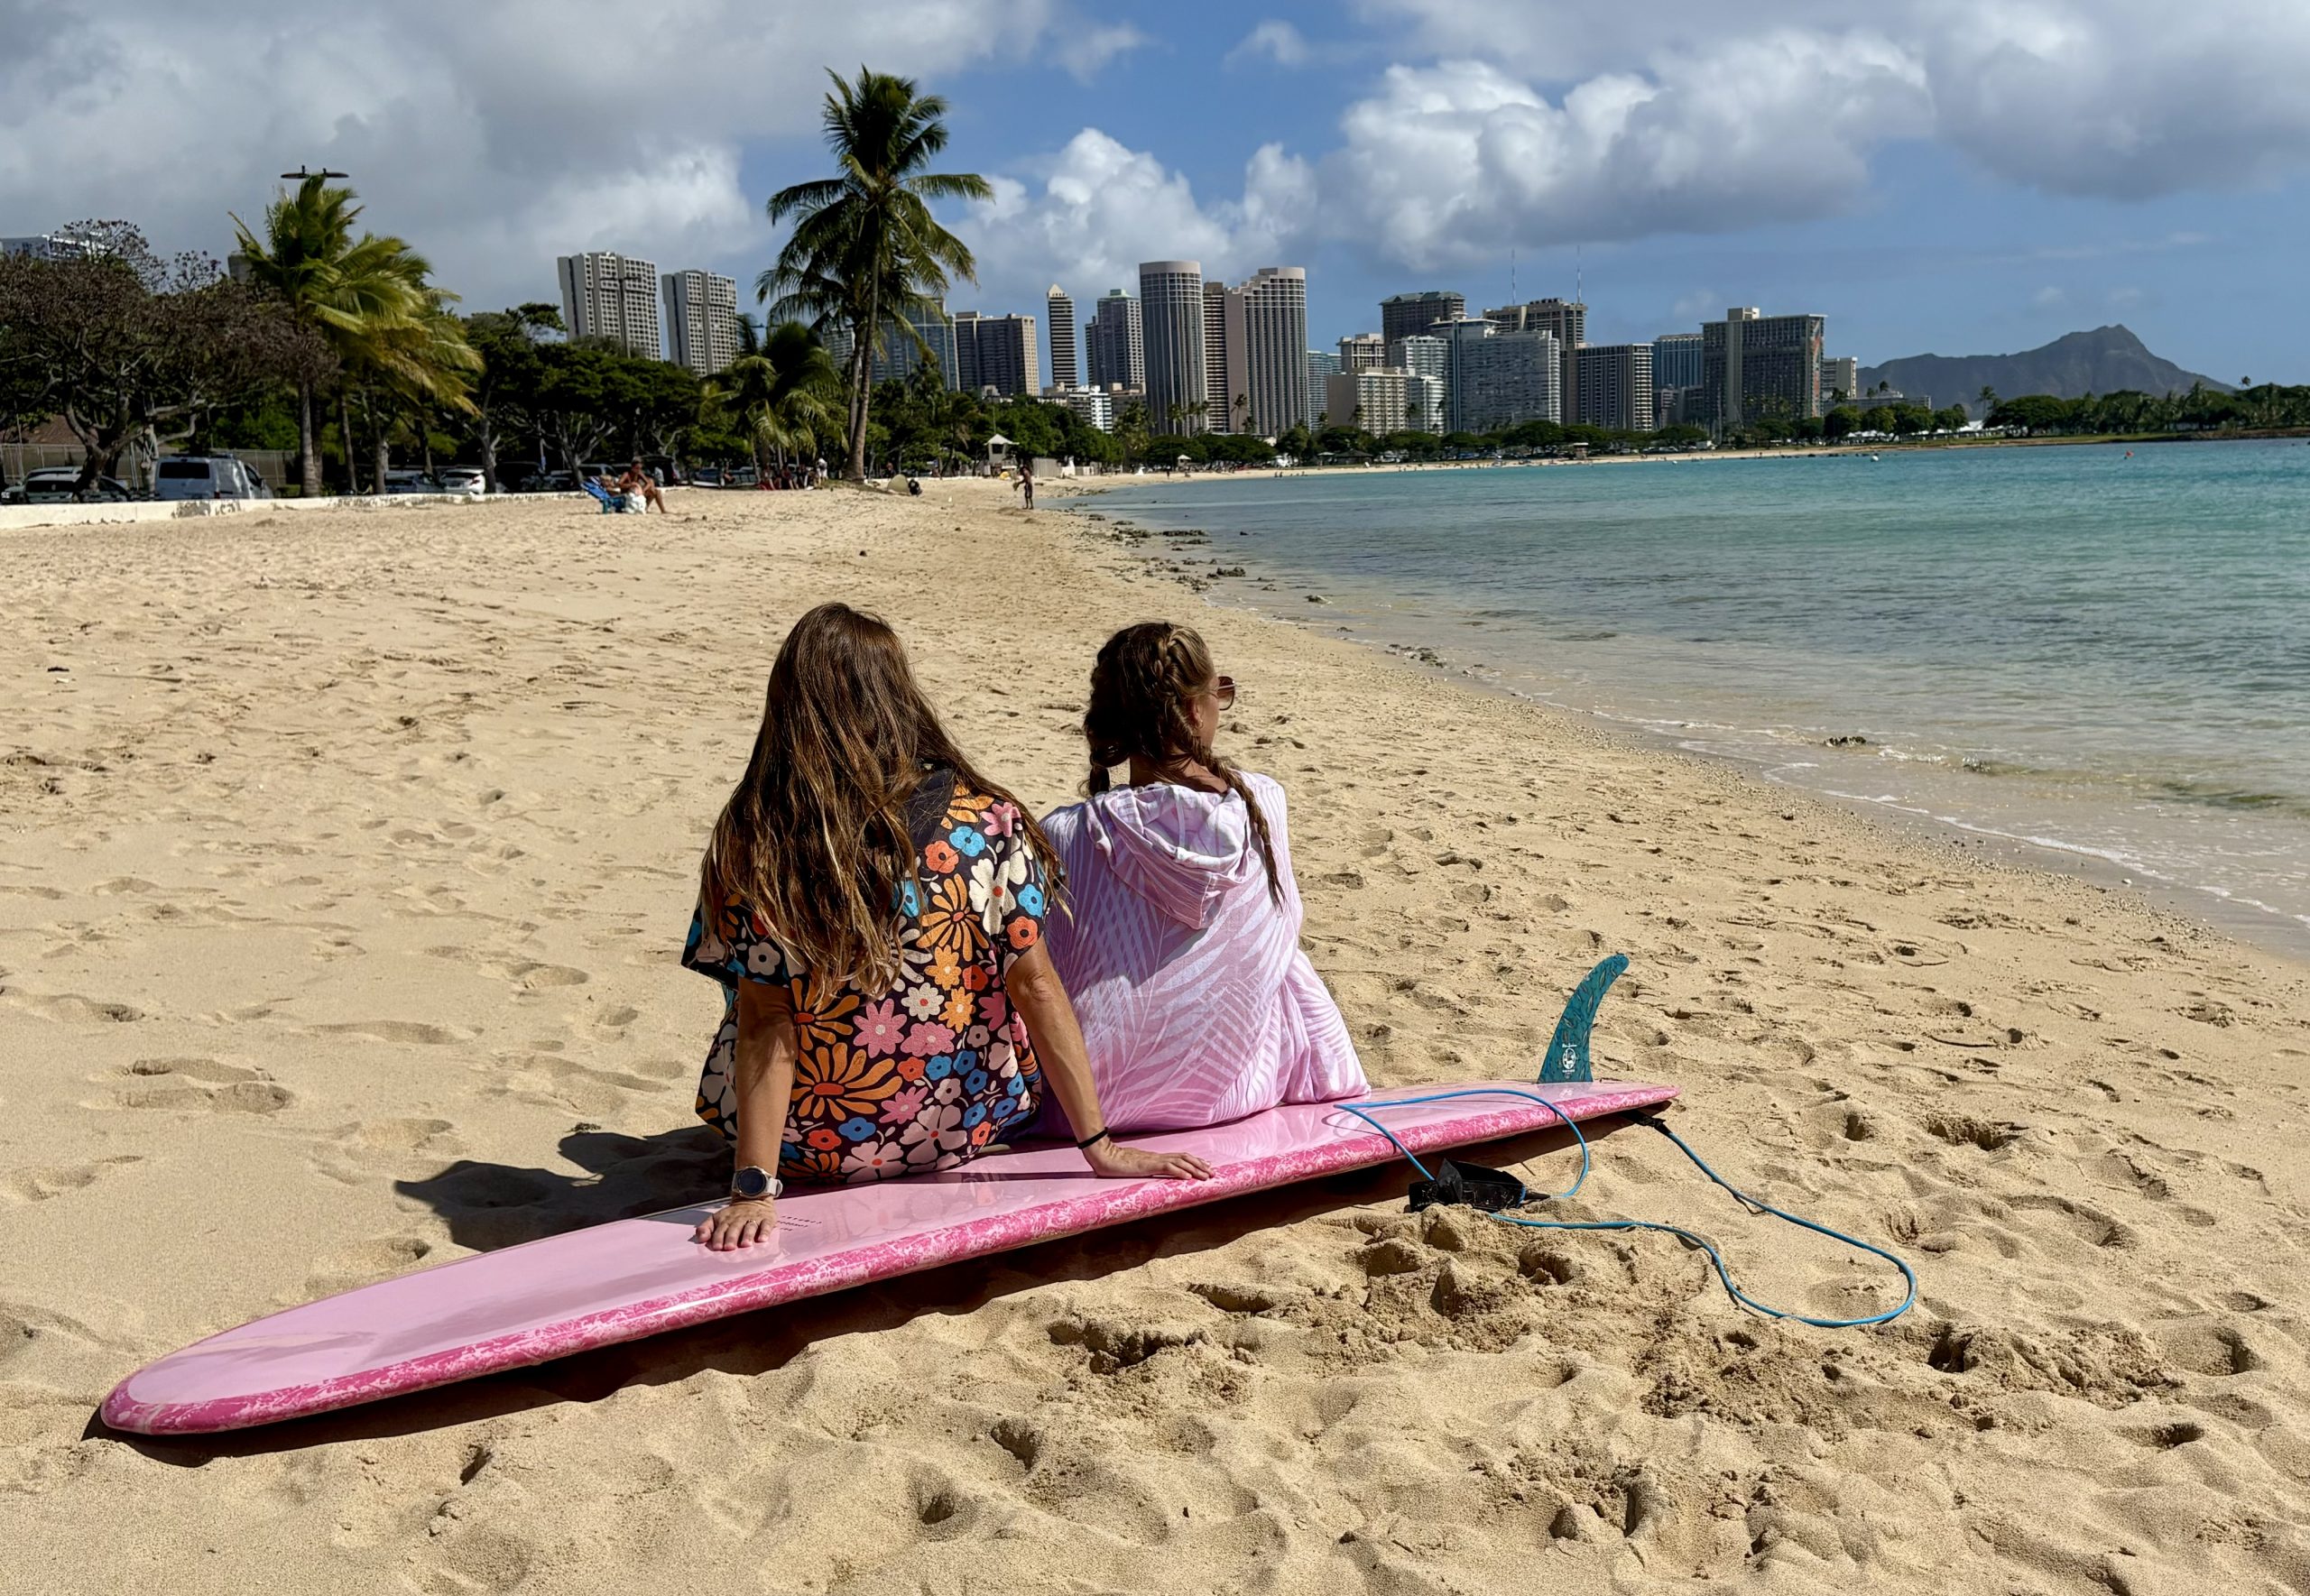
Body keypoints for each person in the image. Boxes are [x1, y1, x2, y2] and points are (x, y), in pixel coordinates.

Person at [681, 604, 1212, 1250]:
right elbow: (1036, 987)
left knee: (761, 986)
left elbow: (768, 1018)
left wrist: (753, 1190)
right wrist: (1098, 1146)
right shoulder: (983, 820)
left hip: (806, 1150)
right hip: (962, 1127)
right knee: (1002, 962)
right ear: (899, 696)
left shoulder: (760, 835)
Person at [1038, 623, 1365, 1131]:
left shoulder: (1064, 833)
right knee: (1284, 956)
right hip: (1242, 1089)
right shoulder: (1262, 805)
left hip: (1094, 1106)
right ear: (1194, 710)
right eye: (1221, 694)